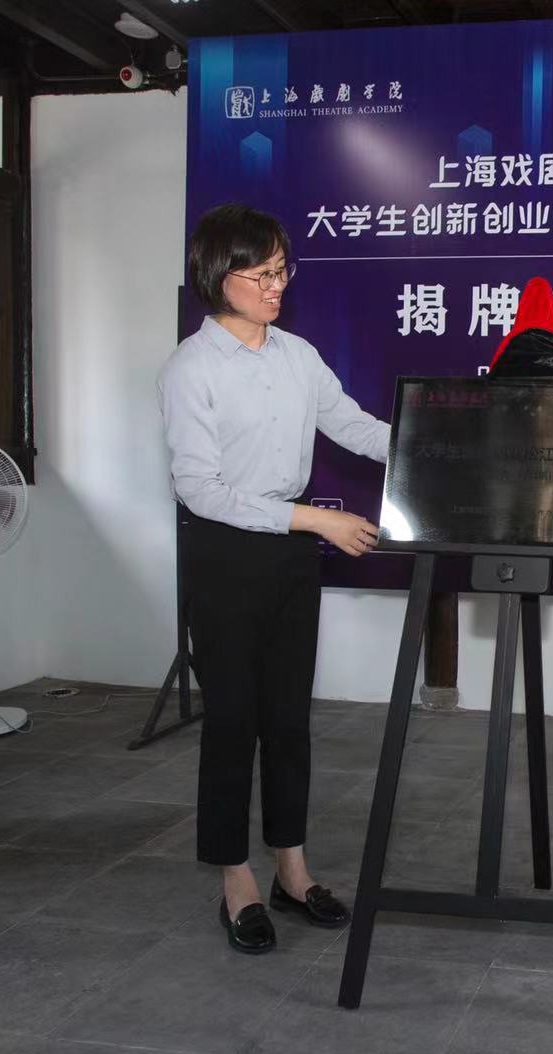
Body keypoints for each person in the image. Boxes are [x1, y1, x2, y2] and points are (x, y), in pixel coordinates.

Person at [158, 204, 389, 954]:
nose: (276, 286)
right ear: (216, 276)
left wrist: (438, 443)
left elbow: (354, 426)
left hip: (289, 554)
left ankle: (292, 869)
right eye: (260, 274)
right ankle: (236, 881)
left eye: (282, 271)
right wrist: (316, 520)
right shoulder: (191, 369)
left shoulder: (298, 355)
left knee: (289, 720)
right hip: (225, 554)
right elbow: (200, 489)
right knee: (233, 721)